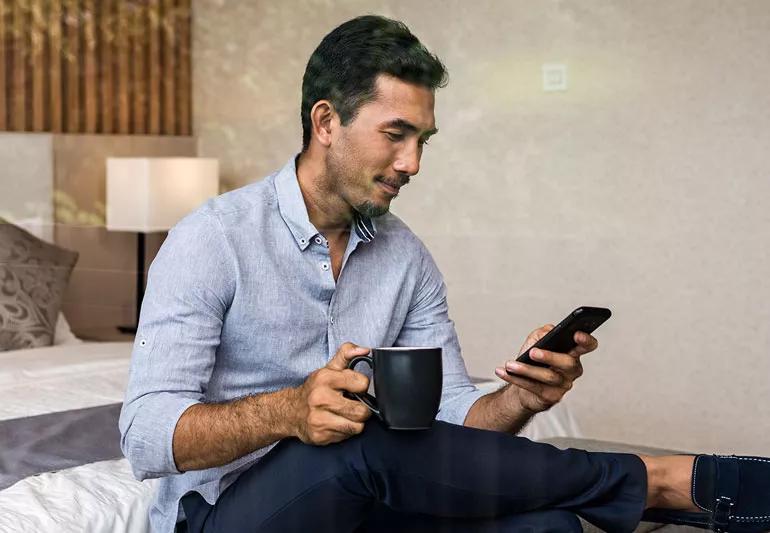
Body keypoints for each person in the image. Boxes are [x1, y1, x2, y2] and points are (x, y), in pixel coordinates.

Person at [119, 15, 770, 533]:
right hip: (223, 513)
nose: (413, 163)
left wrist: (521, 398)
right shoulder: (211, 238)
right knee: (361, 441)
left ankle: (640, 484)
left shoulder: (405, 258)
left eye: (423, 140)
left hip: (363, 500)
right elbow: (145, 435)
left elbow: (456, 424)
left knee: (547, 525)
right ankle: (658, 480)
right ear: (325, 122)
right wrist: (288, 412)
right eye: (395, 134)